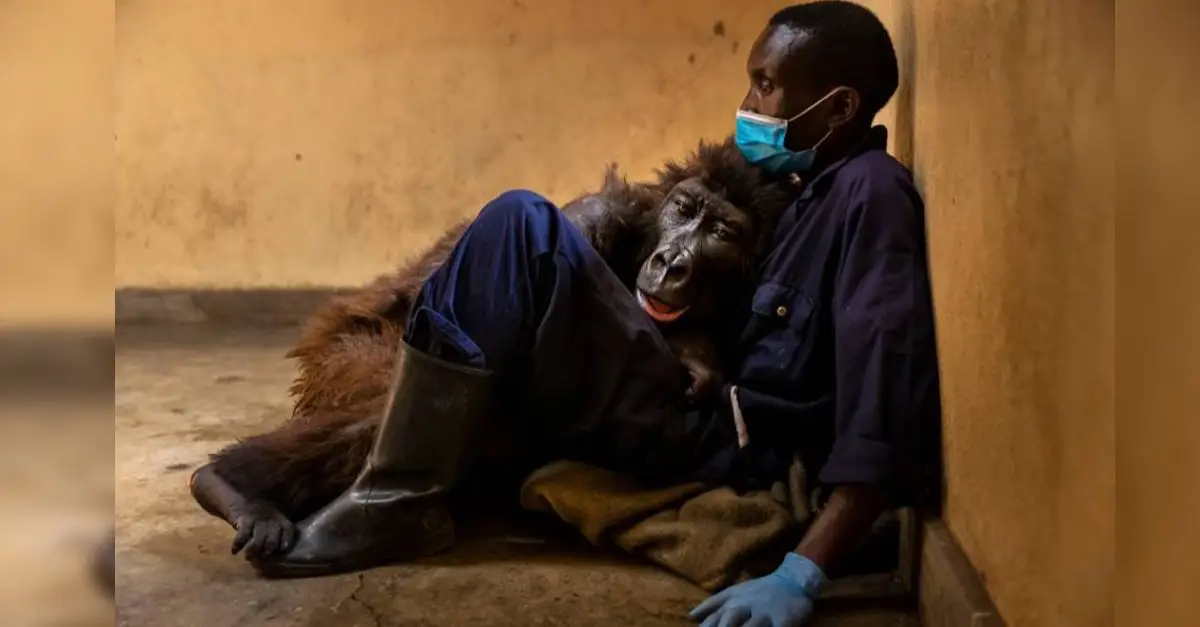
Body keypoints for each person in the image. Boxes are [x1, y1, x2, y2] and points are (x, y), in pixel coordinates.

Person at [253, 2, 941, 625]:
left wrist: (802, 570)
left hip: (721, 442)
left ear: (839, 106)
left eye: (765, 83)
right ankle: (392, 476)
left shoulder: (869, 198)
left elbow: (883, 399)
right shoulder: (802, 188)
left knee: (521, 225)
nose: (749, 102)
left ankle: (392, 501)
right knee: (520, 239)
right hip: (690, 399)